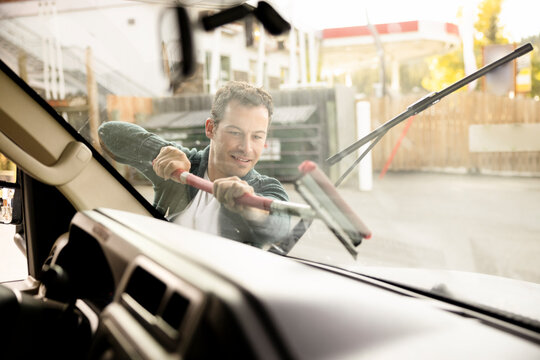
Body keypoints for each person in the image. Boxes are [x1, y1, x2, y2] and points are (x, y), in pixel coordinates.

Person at [99, 81, 290, 250]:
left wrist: (250, 206)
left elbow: (279, 224)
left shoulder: (266, 188)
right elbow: (108, 133)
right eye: (235, 132)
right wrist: (161, 151)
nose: (246, 148)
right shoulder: (182, 167)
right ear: (210, 128)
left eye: (257, 136)